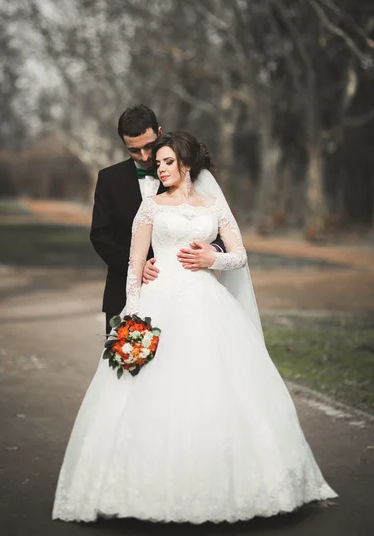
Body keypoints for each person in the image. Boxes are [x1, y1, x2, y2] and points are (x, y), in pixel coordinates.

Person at [53, 131, 337, 524]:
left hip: (208, 306)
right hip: (158, 306)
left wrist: (211, 259)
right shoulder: (150, 207)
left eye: (168, 161)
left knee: (217, 387)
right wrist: (132, 319)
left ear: (186, 164)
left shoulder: (213, 207)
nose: (161, 168)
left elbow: (239, 256)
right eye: (159, 163)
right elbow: (134, 268)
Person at [90, 104, 223, 334]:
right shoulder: (108, 179)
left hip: (186, 295)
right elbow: (100, 235)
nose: (144, 156)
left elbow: (220, 231)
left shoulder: (188, 174)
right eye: (134, 150)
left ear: (159, 132)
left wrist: (211, 253)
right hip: (122, 291)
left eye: (149, 147)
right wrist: (136, 267)